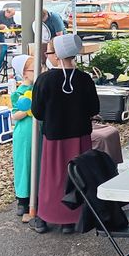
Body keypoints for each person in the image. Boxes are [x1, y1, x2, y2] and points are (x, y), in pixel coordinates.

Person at [31, 35, 99, 234]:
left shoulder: (45, 80)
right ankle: (71, 219)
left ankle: (47, 216)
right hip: (80, 136)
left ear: (58, 54)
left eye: (51, 51)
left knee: (53, 178)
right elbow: (94, 108)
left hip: (55, 137)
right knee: (77, 176)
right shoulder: (85, 79)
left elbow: (37, 111)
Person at [10, 55, 35, 219]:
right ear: (24, 73)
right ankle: (22, 200)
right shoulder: (18, 92)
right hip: (24, 134)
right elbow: (14, 115)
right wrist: (27, 110)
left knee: (36, 164)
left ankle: (35, 198)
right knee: (23, 165)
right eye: (34, 70)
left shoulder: (39, 87)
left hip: (37, 131)